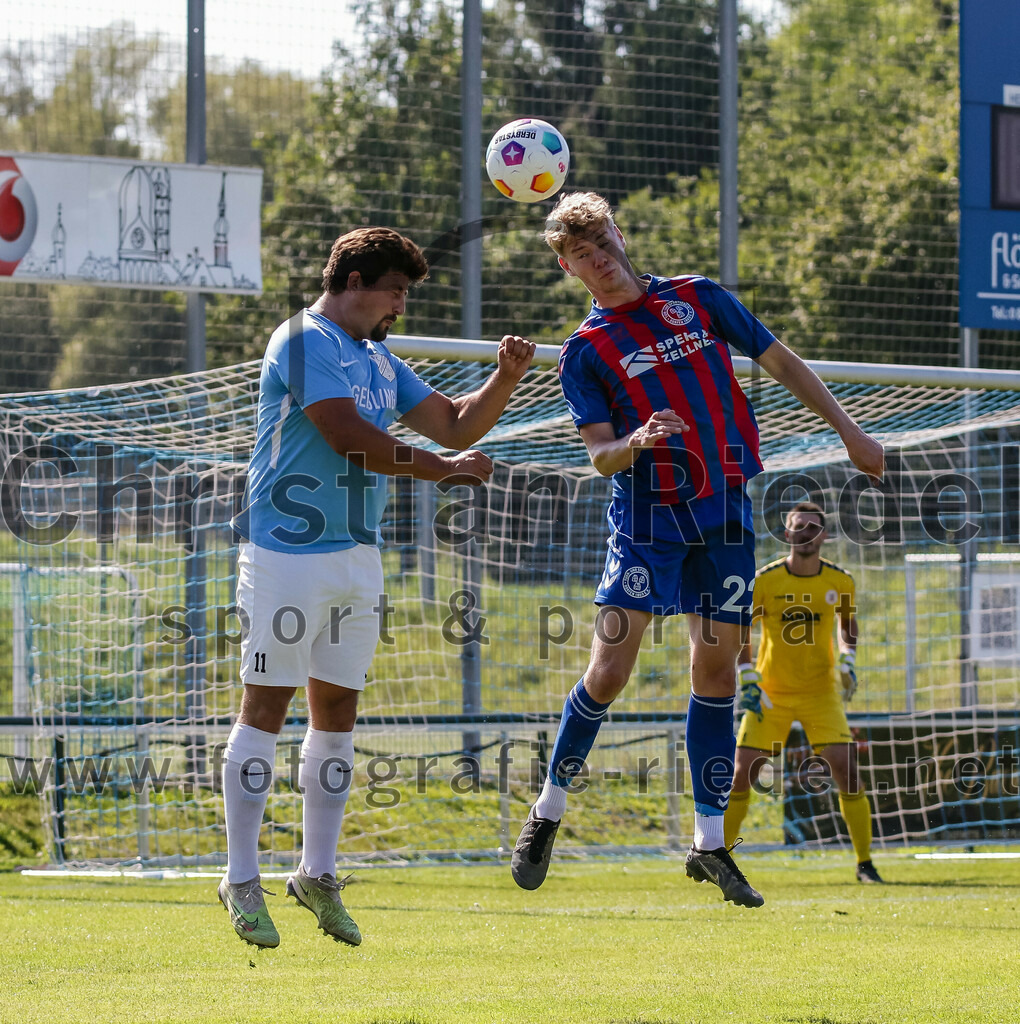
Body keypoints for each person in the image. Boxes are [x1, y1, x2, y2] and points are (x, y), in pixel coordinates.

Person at [510, 192, 884, 907]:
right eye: (582, 254)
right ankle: (548, 809)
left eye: (603, 242)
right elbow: (599, 456)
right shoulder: (586, 351)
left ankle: (710, 844)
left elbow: (781, 361)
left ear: (620, 235)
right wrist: (638, 439)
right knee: (609, 673)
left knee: (715, 674)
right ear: (568, 268)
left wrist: (849, 431)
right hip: (647, 526)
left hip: (725, 518)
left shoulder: (698, 297)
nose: (599, 259)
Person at [219, 226, 535, 948]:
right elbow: (347, 435)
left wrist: (506, 377)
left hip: (357, 555)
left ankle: (316, 874)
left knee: (337, 713)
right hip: (285, 553)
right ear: (355, 281)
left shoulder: (379, 358)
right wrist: (440, 471)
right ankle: (240, 877)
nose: (401, 306)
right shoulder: (303, 339)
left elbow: (454, 426)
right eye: (395, 291)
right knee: (266, 707)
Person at [724, 501, 884, 884]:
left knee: (847, 771)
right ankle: (718, 859)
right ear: (787, 533)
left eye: (813, 528)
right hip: (771, 694)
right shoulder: (766, 580)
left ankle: (865, 864)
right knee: (742, 775)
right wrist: (746, 673)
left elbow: (848, 625)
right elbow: (743, 628)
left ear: (823, 535)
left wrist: (848, 660)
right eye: (799, 527)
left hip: (820, 694)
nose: (806, 534)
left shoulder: (840, 581)